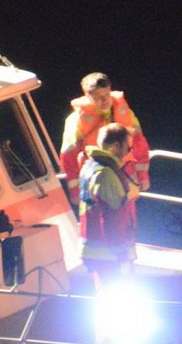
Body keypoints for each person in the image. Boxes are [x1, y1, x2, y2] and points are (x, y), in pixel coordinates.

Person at [60, 72, 150, 214]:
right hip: (97, 176)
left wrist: (143, 175)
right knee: (99, 217)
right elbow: (68, 156)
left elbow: (140, 143)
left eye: (106, 95)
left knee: (127, 219)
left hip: (126, 174)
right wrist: (74, 190)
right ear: (87, 96)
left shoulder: (125, 112)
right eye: (97, 97)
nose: (104, 100)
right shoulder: (76, 121)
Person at [78, 123, 143, 290]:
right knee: (120, 299)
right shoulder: (106, 174)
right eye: (127, 147)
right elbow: (113, 218)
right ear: (115, 146)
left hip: (95, 249)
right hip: (109, 253)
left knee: (104, 298)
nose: (128, 152)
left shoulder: (90, 166)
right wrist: (121, 254)